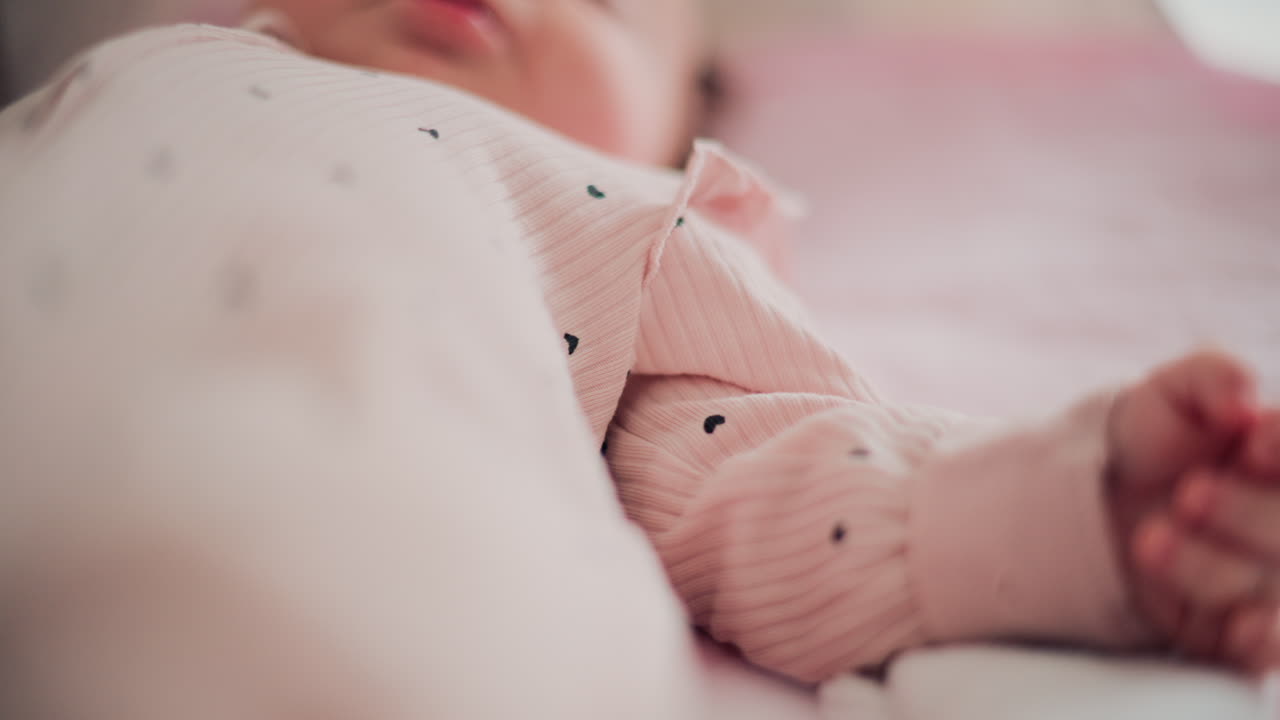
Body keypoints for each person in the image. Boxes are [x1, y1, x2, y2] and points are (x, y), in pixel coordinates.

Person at [0, 0, 1277, 715]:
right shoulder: (117, 78)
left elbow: (774, 481)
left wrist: (1079, 506)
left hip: (394, 634)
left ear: (680, 137)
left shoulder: (612, 223)